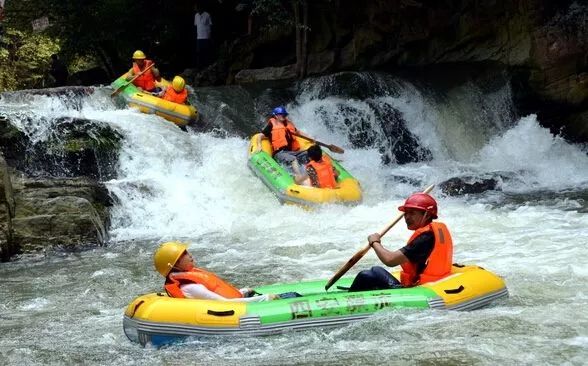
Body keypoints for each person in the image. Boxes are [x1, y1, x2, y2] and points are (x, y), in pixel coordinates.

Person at [349, 193, 453, 291]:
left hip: (420, 287)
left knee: (365, 275)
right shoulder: (433, 232)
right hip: (431, 282)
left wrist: (375, 242)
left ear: (427, 215)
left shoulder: (425, 238)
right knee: (376, 270)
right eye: (406, 213)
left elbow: (390, 260)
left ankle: (350, 301)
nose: (407, 217)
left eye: (412, 213)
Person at [154, 241, 278, 302]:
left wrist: (242, 292)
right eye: (184, 254)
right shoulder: (191, 288)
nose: (190, 255)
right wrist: (264, 298)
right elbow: (227, 304)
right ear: (174, 266)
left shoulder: (191, 283)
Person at [256, 106, 312, 175]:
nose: (284, 116)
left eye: (285, 114)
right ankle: (299, 177)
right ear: (276, 116)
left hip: (291, 152)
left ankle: (311, 174)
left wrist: (310, 138)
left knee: (309, 153)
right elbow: (260, 136)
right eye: (282, 114)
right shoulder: (271, 125)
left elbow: (298, 132)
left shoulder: (288, 124)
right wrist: (259, 146)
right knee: (293, 159)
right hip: (279, 153)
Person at [193, 3, 213, 69]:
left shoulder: (207, 15)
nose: (195, 9)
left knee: (206, 53)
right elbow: (196, 25)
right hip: (199, 37)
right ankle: (199, 68)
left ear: (200, 7)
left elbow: (210, 25)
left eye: (196, 7)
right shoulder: (196, 15)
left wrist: (210, 36)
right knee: (199, 53)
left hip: (206, 37)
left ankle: (207, 67)